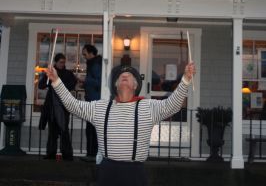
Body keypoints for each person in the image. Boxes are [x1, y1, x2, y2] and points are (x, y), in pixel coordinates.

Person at [46, 61, 195, 185]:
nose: (125, 75)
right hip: (107, 172)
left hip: (135, 174)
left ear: (135, 86)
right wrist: (56, 81)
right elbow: (73, 105)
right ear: (116, 85)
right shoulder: (100, 108)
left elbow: (173, 105)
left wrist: (186, 80)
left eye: (129, 76)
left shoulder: (148, 107)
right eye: (121, 76)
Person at [39, 53, 77, 160]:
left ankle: (67, 154)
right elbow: (41, 85)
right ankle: (51, 153)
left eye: (64, 62)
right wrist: (47, 76)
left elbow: (72, 84)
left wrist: (60, 83)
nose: (62, 64)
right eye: (60, 62)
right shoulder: (51, 73)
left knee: (64, 130)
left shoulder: (68, 73)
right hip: (52, 106)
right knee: (52, 131)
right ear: (55, 62)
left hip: (63, 106)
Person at [81, 44, 102, 159]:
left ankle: (92, 154)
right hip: (93, 100)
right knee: (91, 129)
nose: (84, 57)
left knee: (91, 129)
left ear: (91, 53)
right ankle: (91, 153)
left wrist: (86, 80)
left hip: (94, 101)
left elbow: (99, 82)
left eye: (85, 54)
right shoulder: (94, 63)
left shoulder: (95, 65)